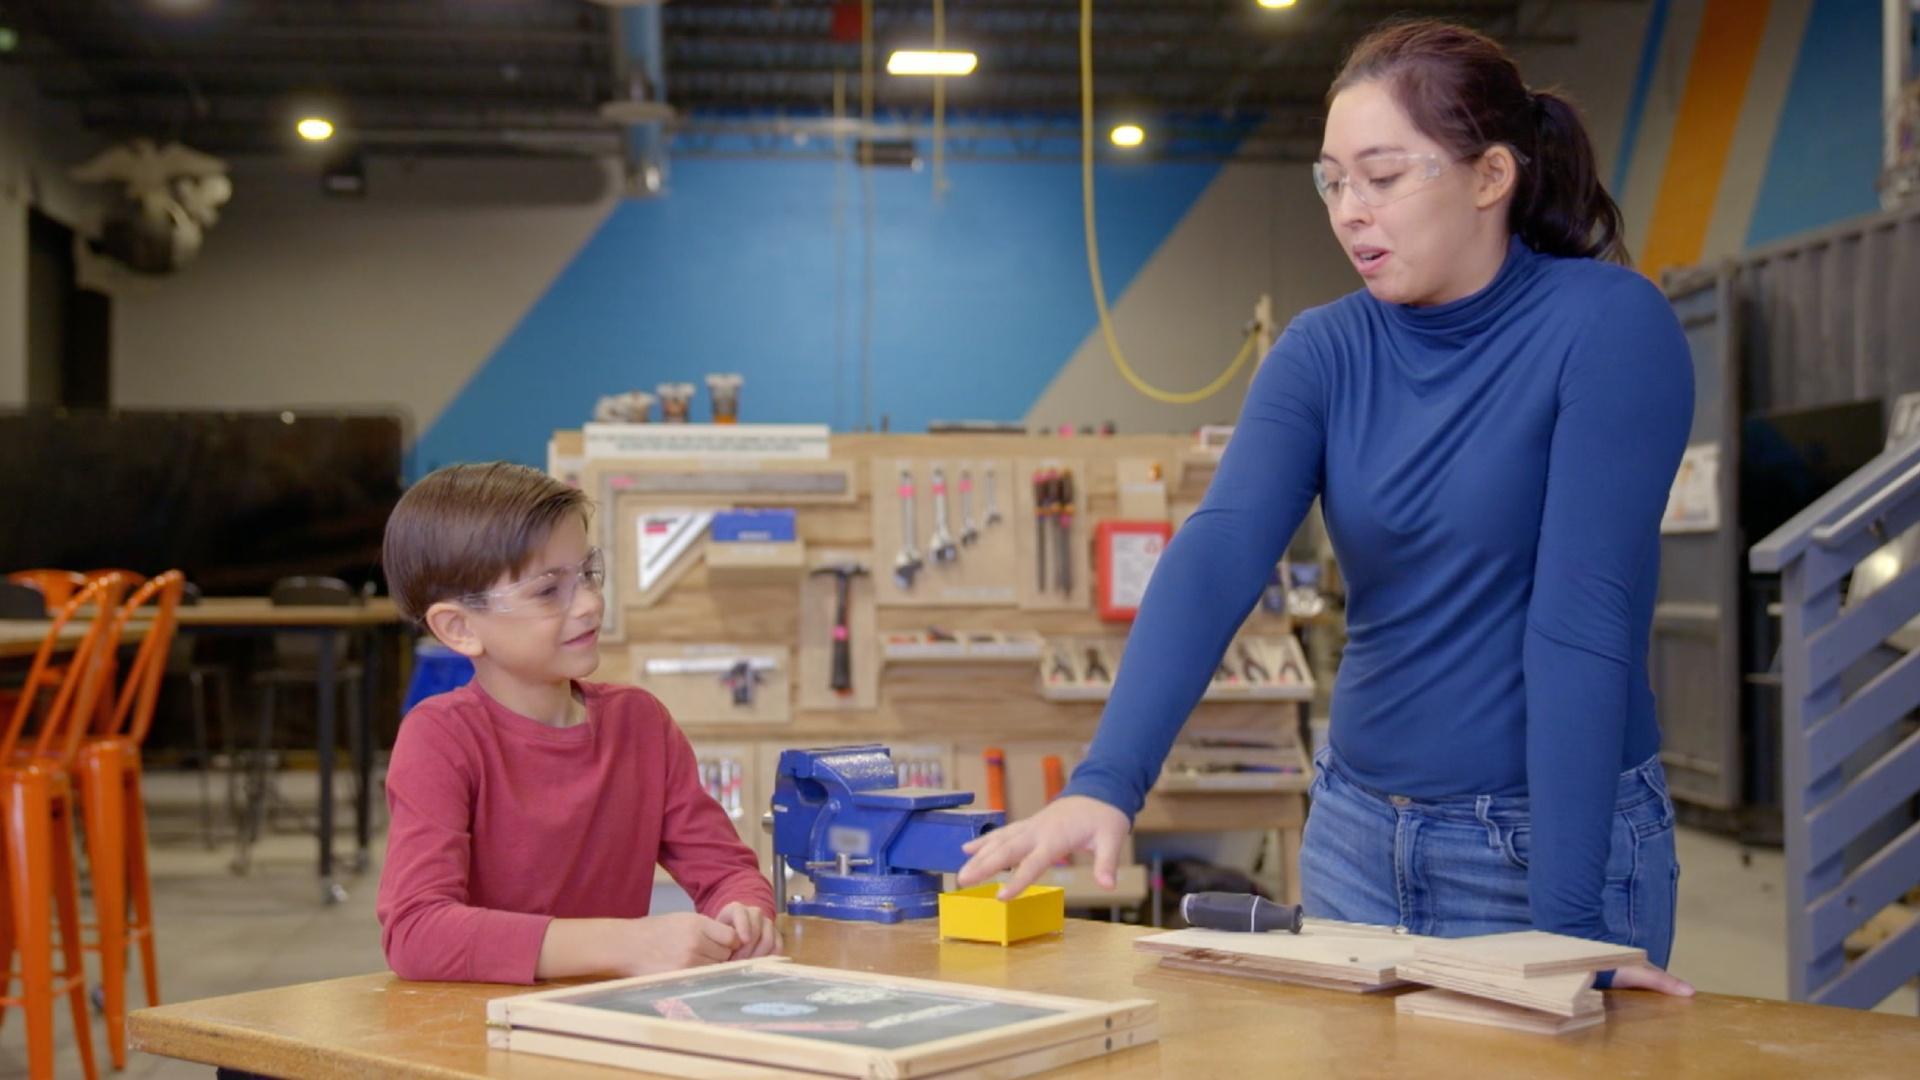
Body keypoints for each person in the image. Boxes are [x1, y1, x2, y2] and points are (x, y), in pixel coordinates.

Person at [958, 18, 1695, 995]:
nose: (1350, 210)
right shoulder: (1323, 350)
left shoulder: (1606, 327)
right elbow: (1220, 552)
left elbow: (1581, 620)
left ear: (1490, 177)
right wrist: (1106, 782)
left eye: (1383, 177)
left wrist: (1566, 930)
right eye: (1332, 181)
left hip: (1542, 846)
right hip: (1354, 830)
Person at [376, 462, 778, 983]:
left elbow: (726, 871)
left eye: (587, 575)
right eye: (548, 591)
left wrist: (743, 911)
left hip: (609, 1023)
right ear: (459, 627)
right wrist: (627, 942)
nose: (590, 604)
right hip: (481, 1034)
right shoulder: (439, 737)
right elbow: (416, 933)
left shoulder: (641, 723)